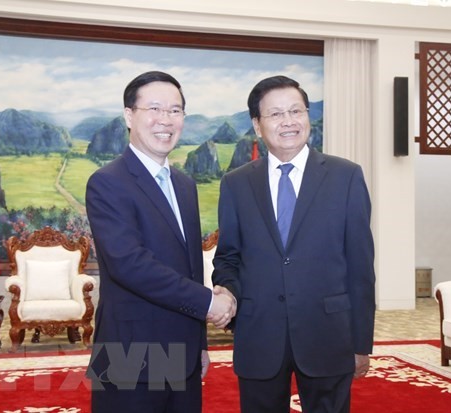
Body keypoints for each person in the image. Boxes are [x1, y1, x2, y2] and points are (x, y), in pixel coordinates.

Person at [212, 75, 376, 413]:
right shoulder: (236, 184)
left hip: (328, 332)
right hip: (259, 332)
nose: (288, 121)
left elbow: (360, 265)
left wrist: (361, 342)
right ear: (257, 125)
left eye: (296, 111)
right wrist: (226, 290)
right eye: (275, 114)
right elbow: (228, 256)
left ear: (307, 117)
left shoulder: (346, 176)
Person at [85, 70, 236, 413]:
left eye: (175, 110)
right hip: (130, 352)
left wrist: (199, 343)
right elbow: (129, 264)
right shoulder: (108, 182)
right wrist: (208, 303)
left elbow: (190, 266)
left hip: (182, 353)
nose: (165, 120)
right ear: (129, 115)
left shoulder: (184, 185)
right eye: (154, 108)